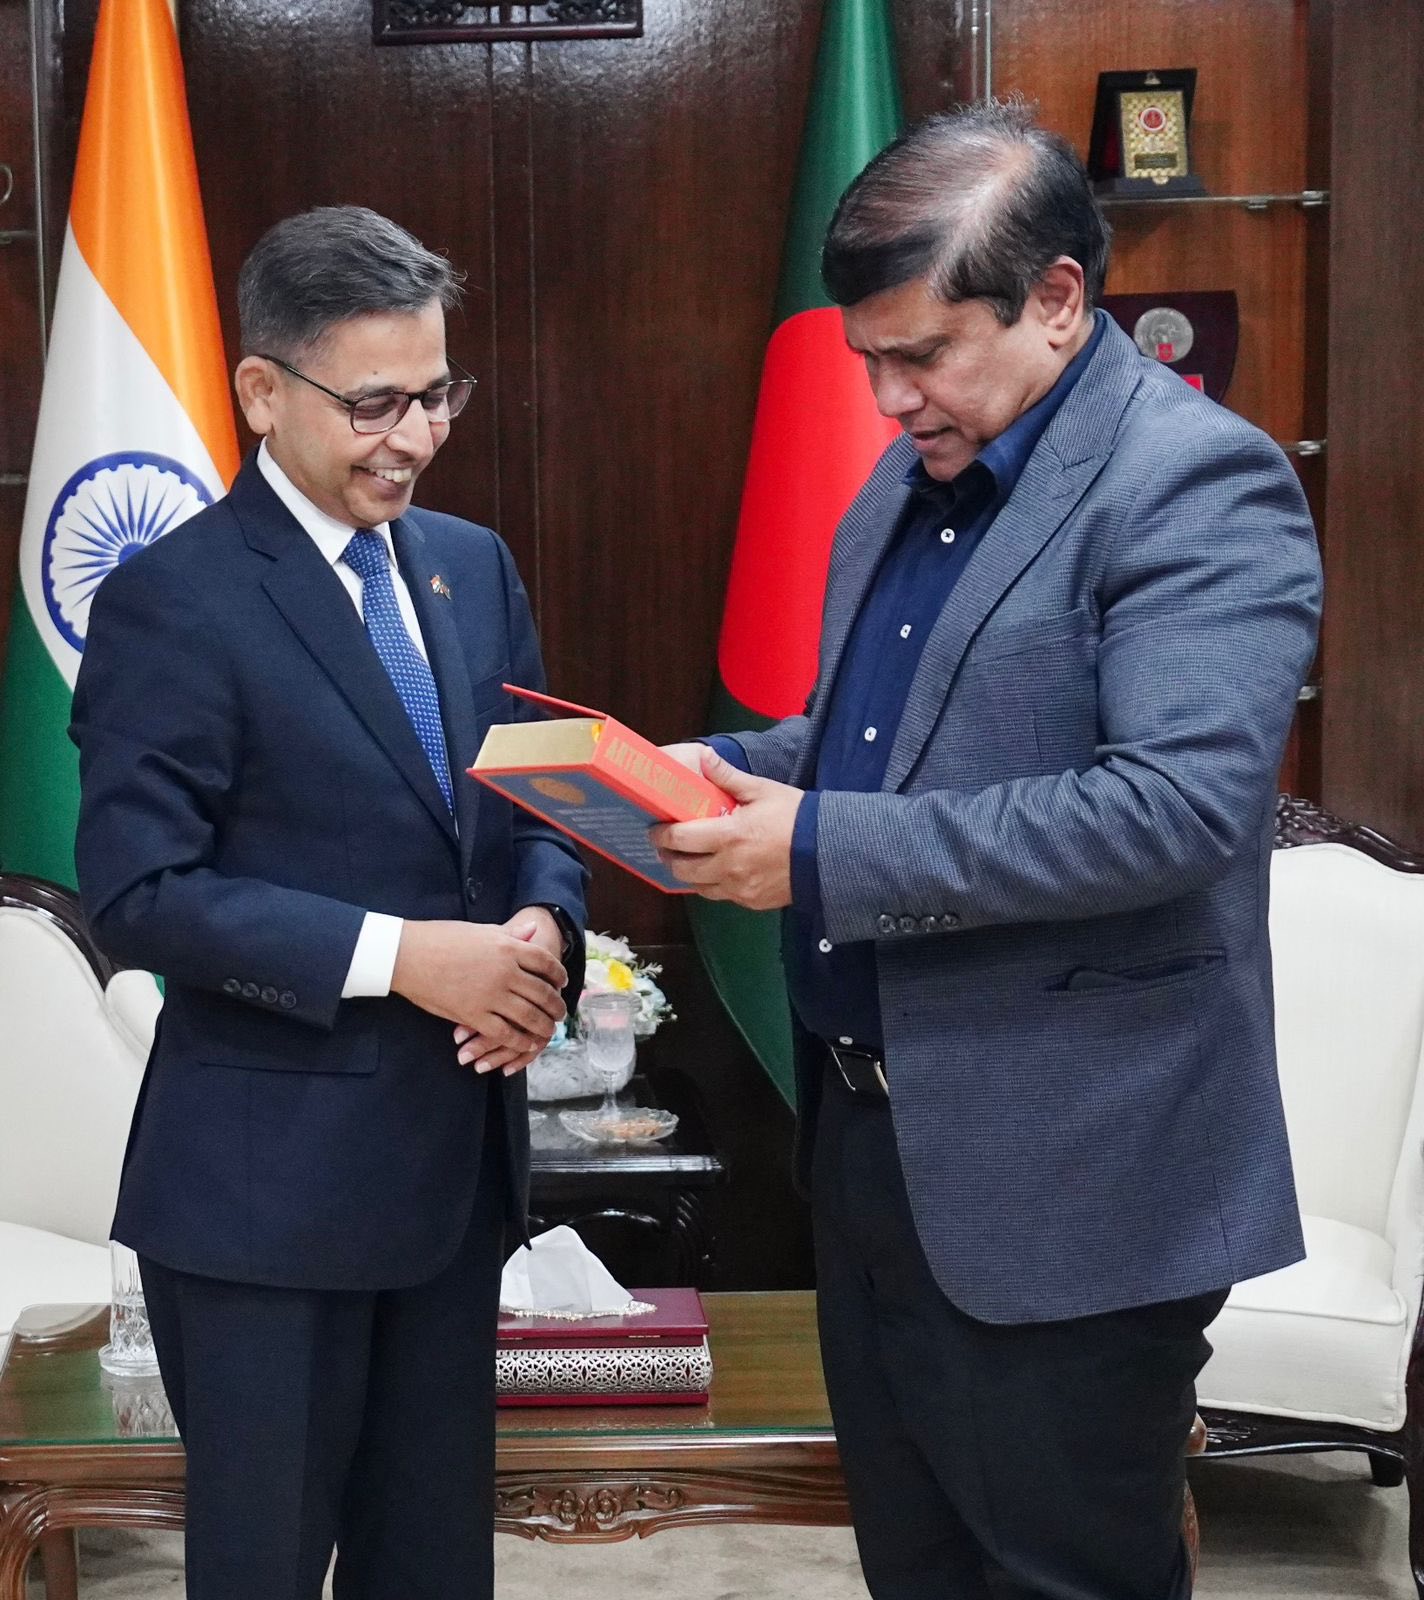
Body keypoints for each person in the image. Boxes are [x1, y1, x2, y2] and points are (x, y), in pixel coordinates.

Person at [656, 101, 1321, 1600]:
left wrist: (818, 849)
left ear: (1059, 299)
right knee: (920, 1567)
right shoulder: (910, 479)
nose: (889, 400)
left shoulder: (1193, 482)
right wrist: (723, 773)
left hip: (1070, 1172)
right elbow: (881, 742)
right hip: (871, 1145)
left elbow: (1174, 807)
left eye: (924, 355)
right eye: (867, 360)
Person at [70, 205, 587, 1600]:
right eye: (374, 404)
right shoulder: (174, 600)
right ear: (261, 390)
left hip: (452, 1186)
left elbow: (542, 803)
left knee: (434, 1573)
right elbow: (140, 892)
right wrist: (404, 957)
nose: (414, 436)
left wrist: (542, 930)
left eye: (437, 395)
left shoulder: (471, 566)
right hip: (262, 1210)